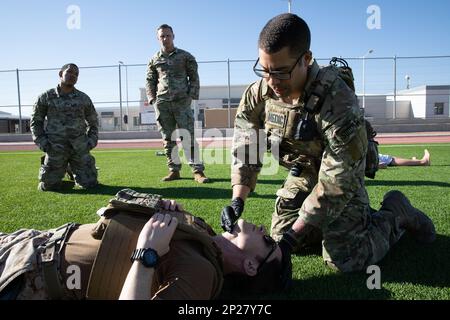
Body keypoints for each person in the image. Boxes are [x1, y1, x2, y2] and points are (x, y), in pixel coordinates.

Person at [221, 13, 436, 273]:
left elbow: (338, 178)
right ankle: (325, 225)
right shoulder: (259, 93)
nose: (272, 81)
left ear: (306, 59)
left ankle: (396, 213)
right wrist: (238, 200)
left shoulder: (337, 101)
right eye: (265, 70)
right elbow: (246, 145)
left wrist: (291, 241)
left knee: (344, 257)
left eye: (280, 71)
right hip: (304, 173)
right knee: (278, 236)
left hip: (342, 180)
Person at [0, 189, 291, 300]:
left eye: (266, 241)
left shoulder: (202, 274)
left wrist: (146, 254)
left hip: (24, 277)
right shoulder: (202, 232)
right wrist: (153, 204)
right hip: (32, 240)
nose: (264, 229)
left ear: (251, 265)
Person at [146, 24, 209, 183]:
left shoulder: (186, 56)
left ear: (173, 36)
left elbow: (194, 77)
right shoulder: (154, 59)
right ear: (158, 38)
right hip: (163, 104)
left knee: (187, 136)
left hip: (182, 102)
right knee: (168, 139)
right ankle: (174, 170)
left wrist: (190, 97)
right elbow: (150, 80)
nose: (165, 39)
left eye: (168, 35)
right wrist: (153, 99)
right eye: (162, 36)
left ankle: (197, 171)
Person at [30, 63, 99, 191]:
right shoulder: (46, 97)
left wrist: (90, 142)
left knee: (90, 185)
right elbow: (36, 122)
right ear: (61, 74)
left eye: (76, 74)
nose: (73, 75)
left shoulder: (83, 98)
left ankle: (72, 169)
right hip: (55, 147)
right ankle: (63, 169)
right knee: (48, 187)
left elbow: (94, 122)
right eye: (70, 72)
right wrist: (43, 143)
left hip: (79, 147)